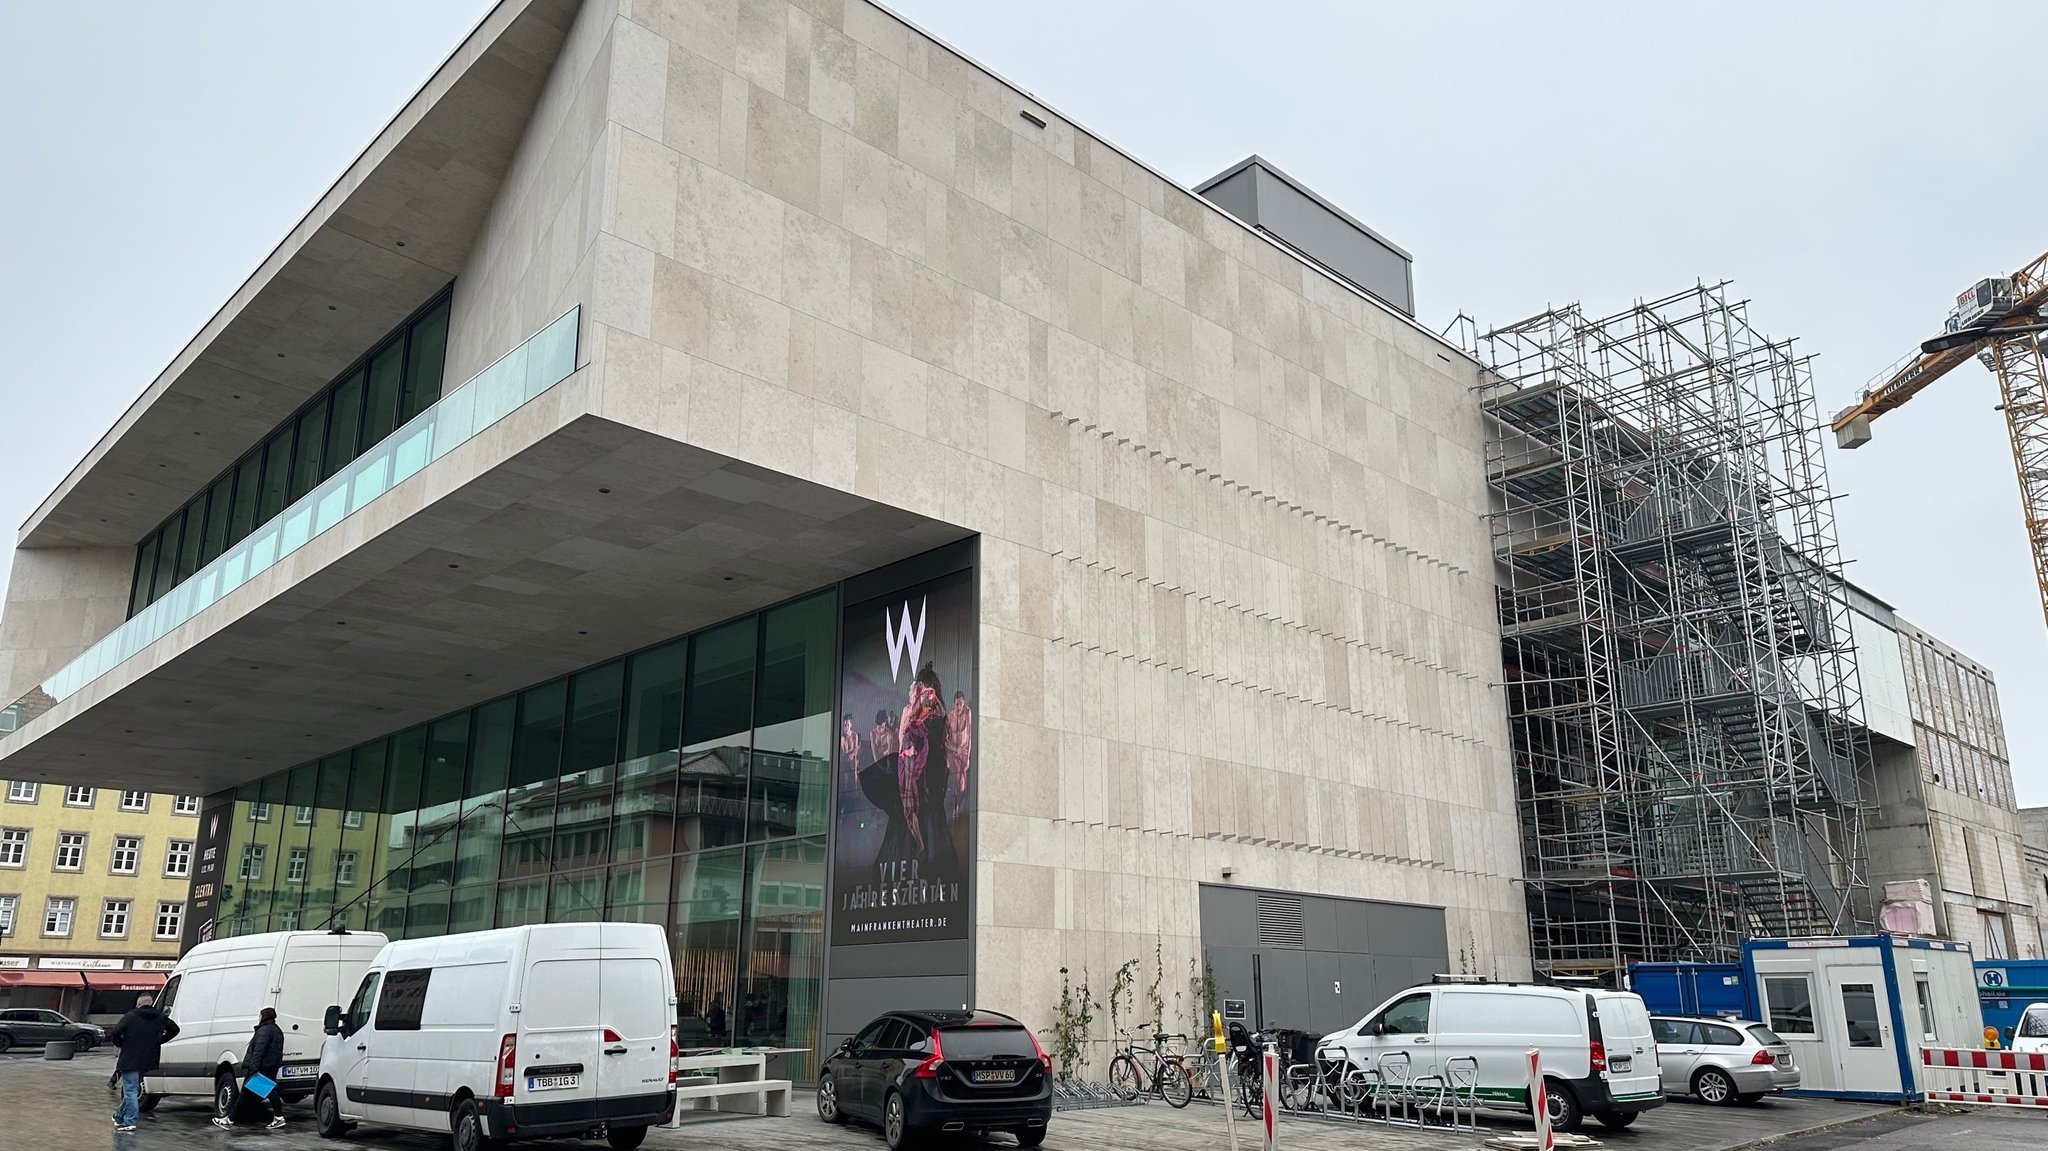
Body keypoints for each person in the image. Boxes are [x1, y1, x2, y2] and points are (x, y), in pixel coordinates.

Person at [108, 992, 180, 1132]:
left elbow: (116, 1032)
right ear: (151, 1003)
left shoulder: (130, 1016)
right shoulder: (160, 1017)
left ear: (138, 1004)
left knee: (130, 1091)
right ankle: (118, 1116)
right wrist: (159, 1041)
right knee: (132, 1089)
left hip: (130, 1057)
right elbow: (174, 1029)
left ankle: (130, 1121)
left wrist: (121, 1043)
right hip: (148, 1058)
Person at [213, 1006, 285, 1130]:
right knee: (267, 1092)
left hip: (261, 1068)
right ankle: (278, 1117)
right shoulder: (276, 1029)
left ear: (264, 1016)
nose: (259, 1018)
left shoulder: (264, 1031)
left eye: (260, 1015)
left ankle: (229, 1120)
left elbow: (259, 1051)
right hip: (271, 1066)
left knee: (248, 1093)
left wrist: (254, 1068)